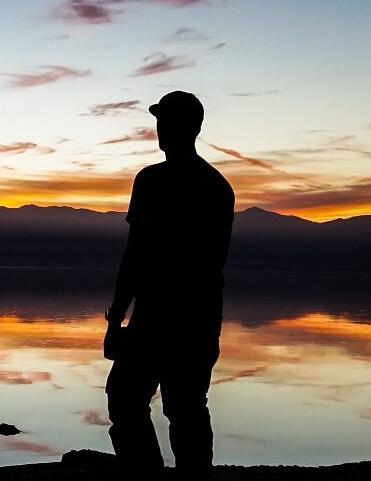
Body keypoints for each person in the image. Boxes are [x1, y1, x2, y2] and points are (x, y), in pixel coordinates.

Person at [104, 90, 234, 475]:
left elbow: (136, 254)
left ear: (186, 127)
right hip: (201, 316)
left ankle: (147, 477)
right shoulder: (218, 186)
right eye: (159, 120)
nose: (159, 129)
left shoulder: (152, 181)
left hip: (157, 317)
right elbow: (213, 262)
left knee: (127, 401)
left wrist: (116, 322)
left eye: (165, 121)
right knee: (187, 407)